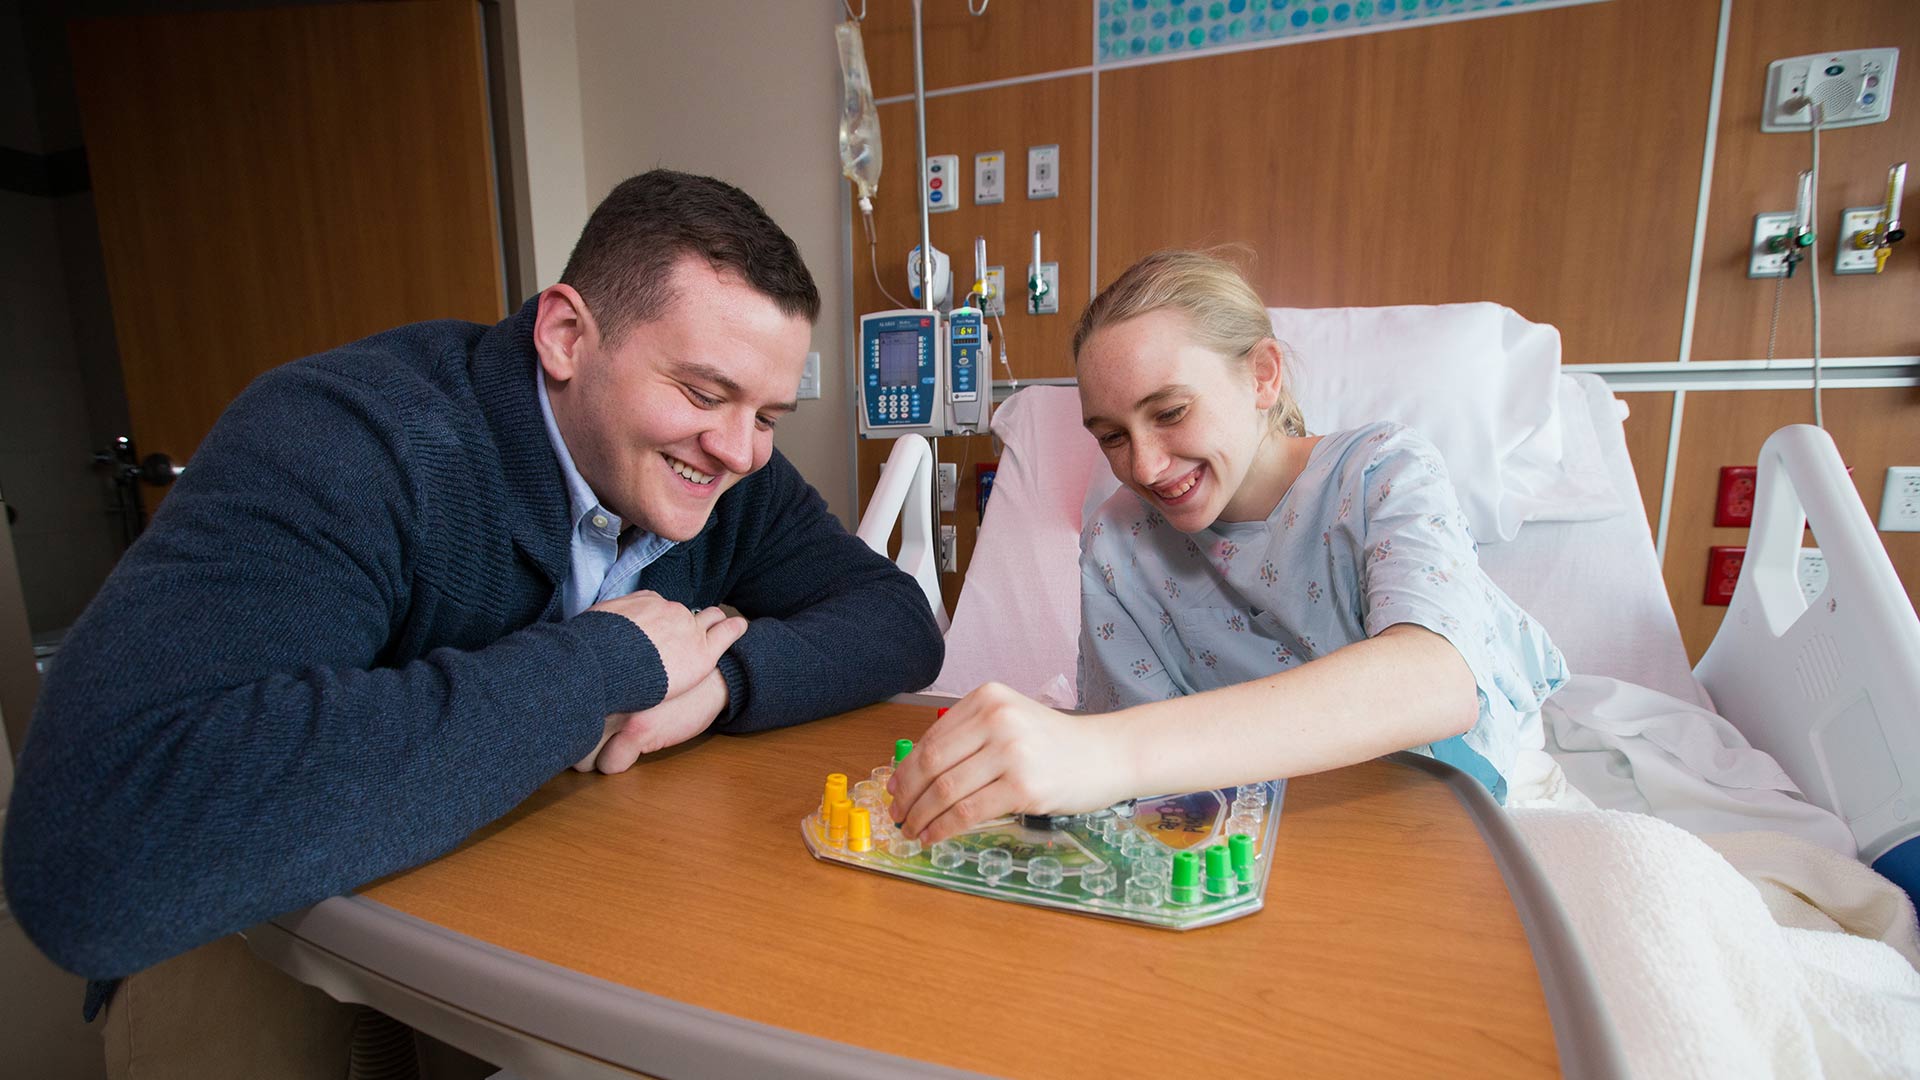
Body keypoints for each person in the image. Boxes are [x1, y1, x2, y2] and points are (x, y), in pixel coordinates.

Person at [3, 170, 945, 1026]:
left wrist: (723, 681)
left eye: (769, 416)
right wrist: (610, 662)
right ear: (567, 336)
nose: (740, 451)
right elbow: (96, 854)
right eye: (704, 393)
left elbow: (895, 621)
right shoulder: (348, 441)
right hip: (255, 935)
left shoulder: (724, 474)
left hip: (550, 941)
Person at [887, 249, 1565, 843]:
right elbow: (1144, 775)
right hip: (1267, 818)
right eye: (1112, 436)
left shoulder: (1380, 472)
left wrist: (1106, 752)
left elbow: (1437, 682)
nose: (1146, 466)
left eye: (1171, 412)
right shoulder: (1120, 541)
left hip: (1443, 792)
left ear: (1263, 375)